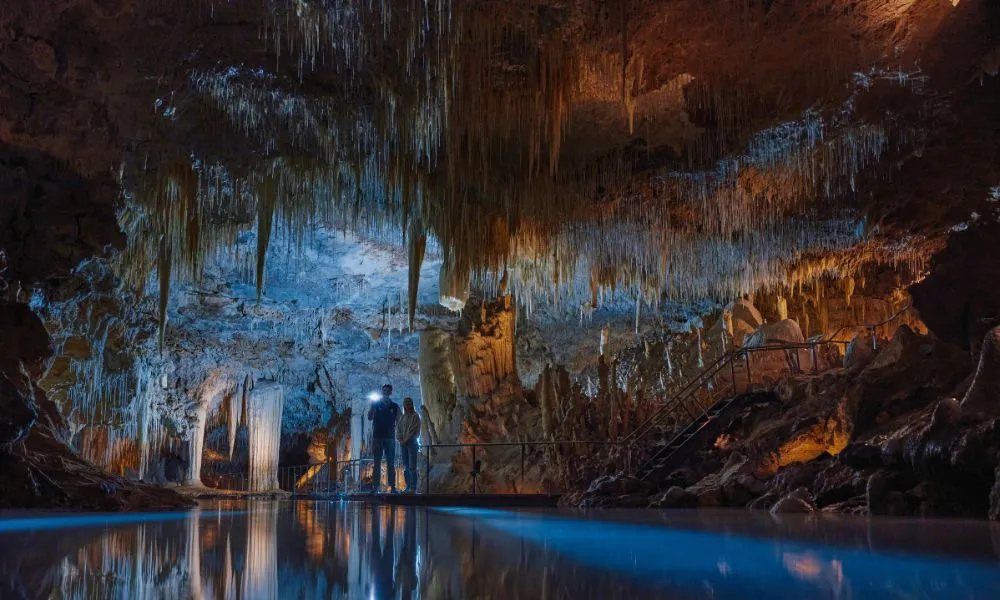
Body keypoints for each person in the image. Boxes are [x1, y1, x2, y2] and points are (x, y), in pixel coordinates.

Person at [367, 384, 400, 492]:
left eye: (387, 390)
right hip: (377, 436)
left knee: (391, 462)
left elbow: (400, 420)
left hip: (390, 437)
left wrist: (400, 433)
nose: (386, 392)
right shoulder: (376, 404)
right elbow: (370, 417)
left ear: (391, 392)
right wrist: (372, 405)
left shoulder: (395, 406)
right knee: (377, 462)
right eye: (384, 390)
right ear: (382, 392)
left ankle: (392, 487)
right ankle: (375, 487)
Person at [395, 397, 421, 493]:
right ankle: (408, 486)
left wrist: (406, 439)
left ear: (412, 404)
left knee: (412, 466)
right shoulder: (403, 417)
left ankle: (413, 487)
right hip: (403, 444)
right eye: (406, 403)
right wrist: (400, 439)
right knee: (406, 466)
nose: (408, 405)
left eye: (409, 403)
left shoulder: (416, 416)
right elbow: (398, 429)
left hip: (412, 443)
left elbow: (414, 429)